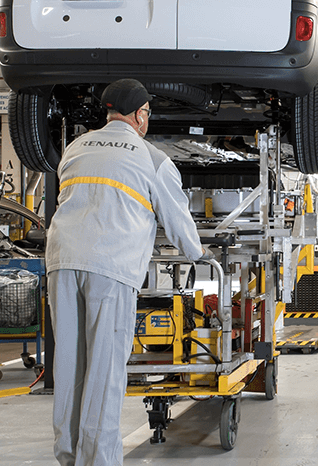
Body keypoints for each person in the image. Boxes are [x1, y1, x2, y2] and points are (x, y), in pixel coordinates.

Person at [45, 78, 205, 466]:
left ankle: (68, 456)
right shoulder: (153, 158)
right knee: (103, 374)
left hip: (61, 263)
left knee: (69, 368)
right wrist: (199, 253)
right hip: (109, 269)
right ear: (141, 115)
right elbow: (181, 227)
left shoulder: (75, 148)